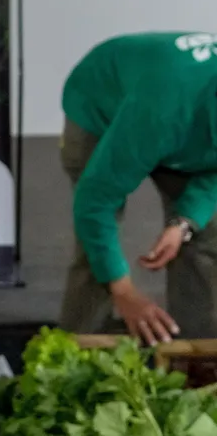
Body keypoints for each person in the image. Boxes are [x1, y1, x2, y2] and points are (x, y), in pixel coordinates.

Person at [59, 32, 217, 346]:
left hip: (180, 123)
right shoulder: (162, 111)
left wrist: (183, 223)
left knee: (204, 232)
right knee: (97, 246)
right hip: (101, 100)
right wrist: (124, 291)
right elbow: (95, 204)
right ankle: (80, 352)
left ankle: (197, 353)